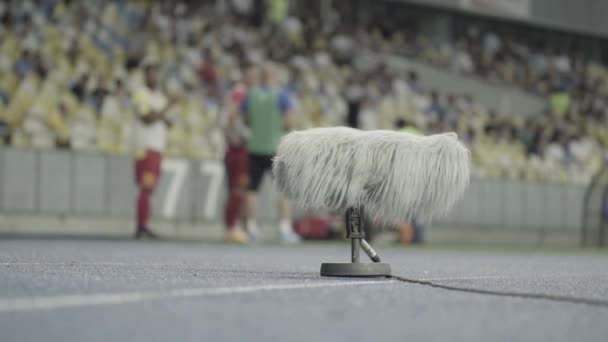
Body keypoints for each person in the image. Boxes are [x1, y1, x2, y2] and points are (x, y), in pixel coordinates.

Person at [241, 62, 300, 243]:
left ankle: (251, 228)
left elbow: (246, 119)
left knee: (252, 190)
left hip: (254, 147)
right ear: (274, 76)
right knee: (283, 190)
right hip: (275, 148)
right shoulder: (281, 95)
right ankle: (284, 228)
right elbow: (289, 123)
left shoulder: (250, 94)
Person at [132, 60, 176, 239]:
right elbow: (146, 119)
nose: (155, 77)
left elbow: (169, 122)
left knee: (150, 188)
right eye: (151, 73)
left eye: (157, 73)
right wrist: (168, 105)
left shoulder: (158, 96)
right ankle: (141, 225)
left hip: (157, 147)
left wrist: (165, 108)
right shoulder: (140, 95)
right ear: (145, 75)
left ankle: (145, 224)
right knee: (146, 186)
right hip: (145, 146)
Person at [223, 66, 255, 244]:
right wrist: (234, 136)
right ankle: (232, 227)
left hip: (241, 145)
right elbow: (232, 114)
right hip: (238, 147)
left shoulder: (245, 92)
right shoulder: (241, 92)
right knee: (238, 188)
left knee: (239, 189)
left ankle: (236, 226)